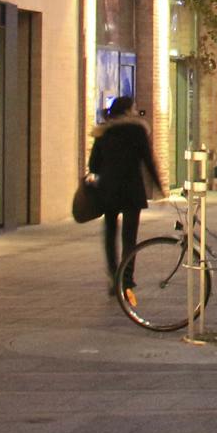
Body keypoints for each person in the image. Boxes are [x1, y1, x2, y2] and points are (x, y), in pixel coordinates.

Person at [89, 94, 164, 292]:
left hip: (109, 189)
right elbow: (148, 160)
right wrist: (158, 186)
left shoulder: (103, 131)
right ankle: (127, 278)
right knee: (129, 237)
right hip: (131, 189)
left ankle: (114, 277)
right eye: (134, 107)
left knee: (110, 234)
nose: (135, 110)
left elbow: (93, 164)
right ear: (128, 110)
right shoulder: (137, 130)